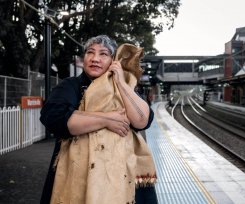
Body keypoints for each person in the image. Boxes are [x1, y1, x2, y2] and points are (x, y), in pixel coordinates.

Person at [40, 35, 157, 204]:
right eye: (90, 53)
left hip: (122, 173)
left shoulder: (126, 87)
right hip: (79, 173)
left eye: (103, 54)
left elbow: (142, 121)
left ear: (113, 60)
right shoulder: (70, 86)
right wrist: (107, 119)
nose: (95, 59)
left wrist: (121, 83)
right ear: (84, 58)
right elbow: (54, 117)